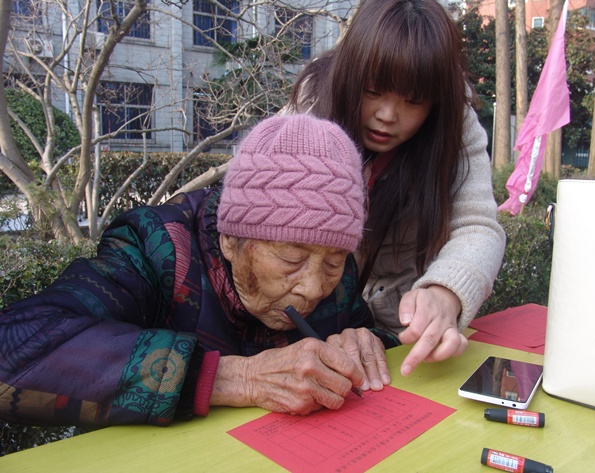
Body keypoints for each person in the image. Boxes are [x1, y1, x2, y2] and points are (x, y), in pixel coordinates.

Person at [0, 114, 395, 428]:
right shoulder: (156, 248)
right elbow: (13, 348)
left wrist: (365, 341)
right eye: (291, 259)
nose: (313, 288)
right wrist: (233, 377)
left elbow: (361, 333)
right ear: (230, 240)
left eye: (333, 261)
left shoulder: (335, 271)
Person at [285, 0, 506, 375]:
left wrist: (445, 293)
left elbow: (478, 225)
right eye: (373, 90)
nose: (387, 116)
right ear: (351, 73)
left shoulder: (455, 121)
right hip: (305, 329)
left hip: (402, 337)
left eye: (413, 101)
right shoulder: (314, 100)